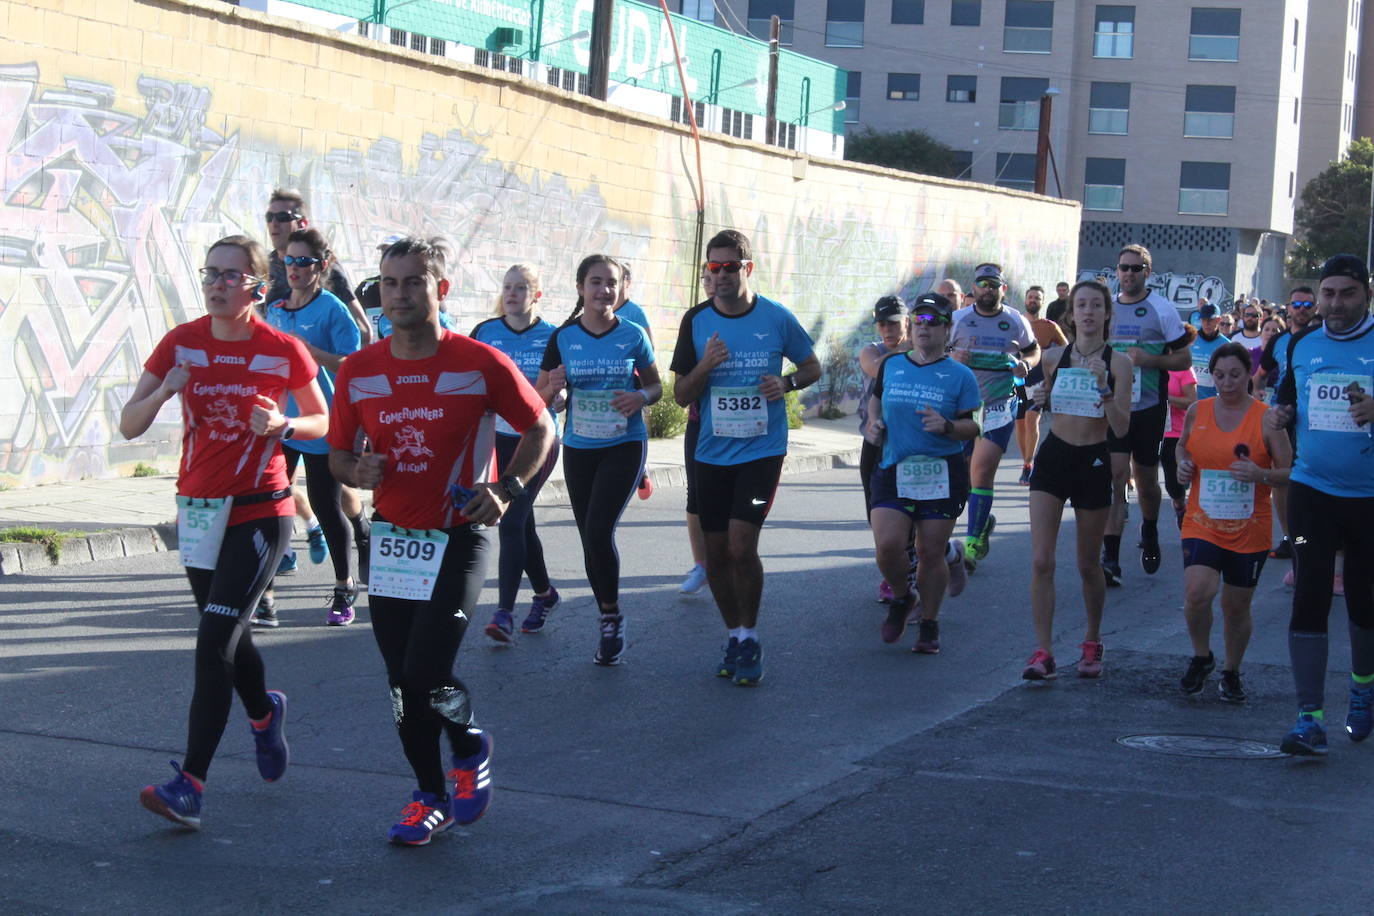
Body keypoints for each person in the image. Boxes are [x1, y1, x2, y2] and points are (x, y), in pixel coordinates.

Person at [329, 236, 555, 843]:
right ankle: (428, 793)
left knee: (428, 669)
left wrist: (506, 488)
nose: (398, 296)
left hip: (459, 536)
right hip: (394, 541)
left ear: (440, 289)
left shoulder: (479, 362)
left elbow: (540, 426)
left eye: (413, 283)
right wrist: (357, 472)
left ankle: (469, 737)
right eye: (389, 284)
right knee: (401, 683)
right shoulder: (358, 370)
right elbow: (337, 458)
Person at [122, 235, 328, 829]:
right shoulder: (180, 343)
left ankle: (189, 784)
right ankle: (264, 714)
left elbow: (323, 421)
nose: (216, 283)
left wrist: (285, 420)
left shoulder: (280, 348)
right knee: (228, 634)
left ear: (257, 287)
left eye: (231, 275)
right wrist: (165, 389)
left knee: (213, 640)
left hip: (262, 508)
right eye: (210, 273)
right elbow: (129, 425)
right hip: (200, 511)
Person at [671, 229, 821, 686]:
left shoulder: (775, 317)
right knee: (715, 555)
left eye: (728, 267)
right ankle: (734, 634)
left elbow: (812, 366)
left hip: (762, 450)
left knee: (741, 546)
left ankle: (751, 635)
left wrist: (788, 385)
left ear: (747, 268)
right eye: (712, 268)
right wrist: (706, 365)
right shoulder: (695, 321)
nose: (719, 276)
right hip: (712, 451)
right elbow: (680, 395)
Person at [1267, 253, 1374, 756]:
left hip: (1369, 498)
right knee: (1309, 591)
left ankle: (1362, 688)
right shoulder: (1303, 345)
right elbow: (1287, 401)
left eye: (1346, 293)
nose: (1334, 303)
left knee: (1363, 599)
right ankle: (1308, 718)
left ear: (1365, 296)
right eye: (1327, 293)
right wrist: (1279, 414)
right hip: (1312, 491)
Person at [536, 255, 660, 666]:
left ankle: (610, 619)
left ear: (620, 289)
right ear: (580, 288)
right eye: (595, 282)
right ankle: (608, 611)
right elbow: (544, 397)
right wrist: (555, 392)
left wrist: (640, 396)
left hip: (624, 444)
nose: (603, 290)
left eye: (611, 283)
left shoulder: (633, 334)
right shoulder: (563, 337)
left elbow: (657, 386)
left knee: (599, 529)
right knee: (589, 536)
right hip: (580, 446)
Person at [1022, 280, 1133, 680]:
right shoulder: (1054, 357)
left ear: (1106, 314)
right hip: (1054, 456)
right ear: (1072, 315)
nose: (1087, 311)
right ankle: (1044, 651)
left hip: (1093, 460)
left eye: (1095, 305)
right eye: (1081, 305)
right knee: (1041, 560)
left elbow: (1121, 427)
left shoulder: (1119, 363)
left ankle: (1091, 639)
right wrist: (1040, 401)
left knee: (1088, 564)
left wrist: (1105, 388)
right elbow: (1045, 399)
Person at [1175, 342, 1292, 703]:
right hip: (1202, 521)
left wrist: (1261, 474)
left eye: (1235, 375)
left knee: (1236, 606)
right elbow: (1183, 447)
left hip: (1248, 527)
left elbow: (1290, 471)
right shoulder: (1198, 410)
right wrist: (1183, 464)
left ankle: (1231, 671)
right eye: (1219, 375)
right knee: (1197, 592)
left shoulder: (1265, 418)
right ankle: (1201, 656)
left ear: (1248, 375)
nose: (1226, 383)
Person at [259, 227, 364, 626]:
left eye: (304, 262)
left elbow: (350, 364)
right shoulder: (277, 308)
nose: (296, 268)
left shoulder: (333, 310)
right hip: (282, 420)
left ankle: (344, 585)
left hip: (322, 420)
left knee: (325, 503)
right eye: (289, 260)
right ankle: (265, 592)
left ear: (321, 267)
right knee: (271, 499)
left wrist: (308, 353)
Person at [867, 292, 979, 653]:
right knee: (887, 547)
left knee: (930, 552)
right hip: (893, 467)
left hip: (941, 474)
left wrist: (947, 426)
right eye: (918, 320)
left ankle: (930, 623)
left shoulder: (960, 376)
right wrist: (873, 422)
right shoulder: (892, 365)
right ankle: (903, 597)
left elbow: (972, 427)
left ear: (947, 329)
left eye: (932, 321)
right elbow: (875, 397)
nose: (923, 327)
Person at [471, 265, 562, 642]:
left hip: (537, 441)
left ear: (536, 294)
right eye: (508, 287)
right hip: (497, 440)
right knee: (522, 523)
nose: (513, 293)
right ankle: (544, 593)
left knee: (509, 520)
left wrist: (554, 395)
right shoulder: (484, 332)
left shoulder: (554, 336)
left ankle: (504, 612)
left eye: (522, 287)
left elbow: (557, 394)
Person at [1102, 244, 1193, 586]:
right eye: (1123, 267)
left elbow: (1183, 360)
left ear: (1147, 273)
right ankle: (1110, 555)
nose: (1128, 273)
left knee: (1145, 479)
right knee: (1114, 477)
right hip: (1112, 405)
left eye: (1136, 268)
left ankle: (1150, 529)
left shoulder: (1162, 310)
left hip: (1148, 407)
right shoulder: (1107, 307)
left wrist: (1148, 360)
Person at [949, 263, 1040, 571]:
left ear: (1003, 289)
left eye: (994, 284)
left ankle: (972, 542)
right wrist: (952, 358)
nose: (987, 289)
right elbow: (937, 353)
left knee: (982, 471)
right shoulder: (958, 319)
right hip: (963, 409)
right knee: (963, 478)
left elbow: (1033, 350)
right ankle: (983, 520)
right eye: (982, 284)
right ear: (973, 288)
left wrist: (1025, 364)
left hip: (999, 408)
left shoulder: (1015, 321)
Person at [859, 294, 913, 602]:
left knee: (909, 513)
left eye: (893, 323)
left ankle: (906, 573)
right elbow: (876, 369)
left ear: (906, 322)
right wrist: (910, 349)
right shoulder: (872, 351)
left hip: (910, 444)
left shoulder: (921, 352)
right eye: (881, 323)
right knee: (876, 514)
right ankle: (893, 572)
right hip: (875, 443)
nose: (887, 329)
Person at [1258, 286, 1319, 562]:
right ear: (1289, 307)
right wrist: (1257, 398)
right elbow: (1259, 375)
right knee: (1281, 477)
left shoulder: (1322, 338)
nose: (1302, 309)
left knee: (1309, 480)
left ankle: (1311, 537)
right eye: (1297, 304)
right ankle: (1289, 537)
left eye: (1308, 304)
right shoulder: (1279, 340)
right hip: (1281, 417)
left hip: (1313, 418)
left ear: (1316, 307)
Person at [264, 188, 369, 343]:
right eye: (269, 217)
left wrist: (315, 344)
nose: (274, 223)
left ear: (302, 223)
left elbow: (363, 331)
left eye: (282, 217)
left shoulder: (325, 265)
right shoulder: (265, 266)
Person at [679, 265, 714, 595]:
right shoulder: (695, 319)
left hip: (745, 432)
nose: (712, 284)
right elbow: (680, 387)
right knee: (696, 497)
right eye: (706, 279)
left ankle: (732, 559)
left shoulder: (754, 317)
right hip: (700, 423)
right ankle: (701, 564)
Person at [1014, 285, 1067, 485]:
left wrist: (1047, 356)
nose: (1033, 300)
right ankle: (1026, 461)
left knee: (1031, 419)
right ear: (1026, 300)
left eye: (1037, 297)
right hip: (1018, 379)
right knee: (1019, 423)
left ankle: (1028, 465)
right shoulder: (1016, 323)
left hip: (1039, 379)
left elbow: (1066, 349)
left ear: (1042, 302)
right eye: (1030, 297)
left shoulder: (1050, 326)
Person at [613, 261, 656, 502]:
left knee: (630, 425)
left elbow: (648, 347)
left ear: (626, 283)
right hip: (604, 381)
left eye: (618, 280)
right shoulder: (596, 308)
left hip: (633, 381)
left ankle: (641, 468)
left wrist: (643, 383)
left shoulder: (635, 312)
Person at [1161, 352, 1199, 528]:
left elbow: (1191, 401)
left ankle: (1187, 509)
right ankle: (1180, 506)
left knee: (1178, 481)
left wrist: (1166, 398)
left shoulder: (1184, 370)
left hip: (1177, 431)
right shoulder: (1154, 367)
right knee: (1170, 484)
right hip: (1155, 429)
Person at [1190, 303, 1230, 400]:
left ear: (1218, 320)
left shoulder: (1226, 345)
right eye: (1204, 320)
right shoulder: (1190, 339)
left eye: (1210, 320)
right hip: (1190, 401)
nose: (1206, 324)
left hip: (1214, 401)